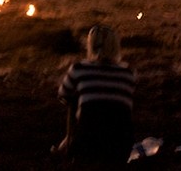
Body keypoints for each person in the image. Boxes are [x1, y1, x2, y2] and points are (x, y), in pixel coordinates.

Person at [54, 25, 136, 165]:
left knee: (75, 100)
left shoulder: (79, 68)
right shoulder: (128, 73)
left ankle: (68, 143)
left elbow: (63, 94)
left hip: (88, 139)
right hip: (121, 142)